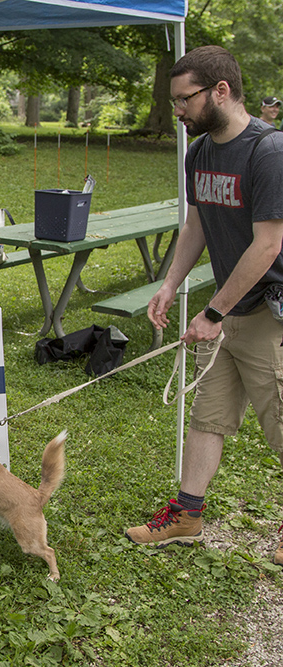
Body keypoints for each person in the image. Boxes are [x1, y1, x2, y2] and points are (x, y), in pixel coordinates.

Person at [125, 46, 283, 567]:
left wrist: (213, 313)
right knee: (208, 418)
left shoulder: (269, 152)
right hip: (227, 311)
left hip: (267, 314)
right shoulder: (201, 154)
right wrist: (170, 284)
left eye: (184, 100)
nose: (177, 111)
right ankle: (188, 516)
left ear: (220, 91)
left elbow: (267, 246)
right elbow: (197, 225)